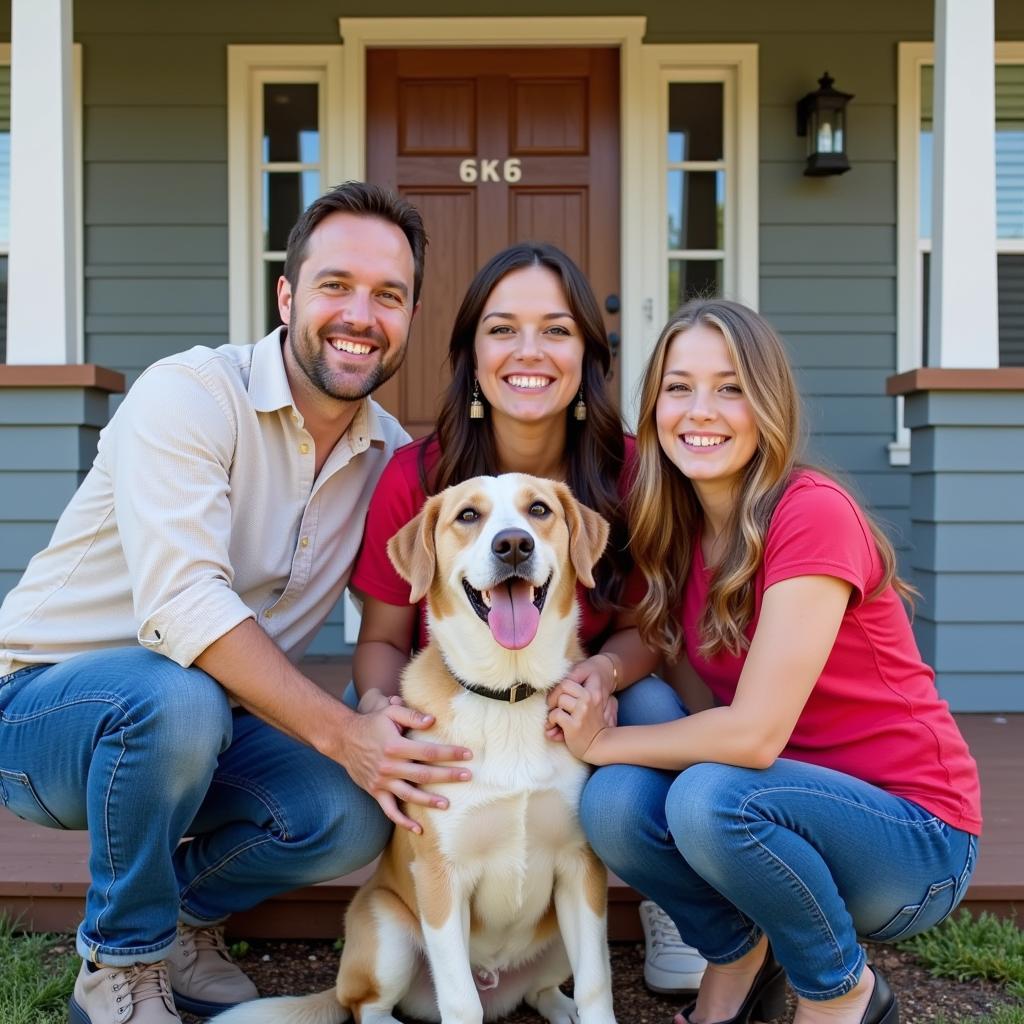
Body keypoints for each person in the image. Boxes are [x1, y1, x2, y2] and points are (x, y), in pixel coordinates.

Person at [0, 182, 475, 1024]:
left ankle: (186, 918)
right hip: (44, 710)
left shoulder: (391, 460)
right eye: (335, 285)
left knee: (350, 807)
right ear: (287, 296)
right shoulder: (188, 394)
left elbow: (418, 621)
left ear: (410, 317)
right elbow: (181, 607)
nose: (360, 314)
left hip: (213, 715)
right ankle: (121, 959)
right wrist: (343, 732)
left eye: (388, 296)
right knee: (172, 695)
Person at [548, 298, 981, 1024]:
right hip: (778, 814)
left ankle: (841, 991)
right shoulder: (676, 523)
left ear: (767, 404)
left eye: (730, 387)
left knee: (706, 797)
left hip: (914, 840)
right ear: (654, 407)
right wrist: (606, 674)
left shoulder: (811, 511)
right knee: (613, 805)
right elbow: (659, 645)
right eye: (678, 387)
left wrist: (603, 740)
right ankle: (737, 951)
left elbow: (751, 738)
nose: (700, 410)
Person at [348, 239, 708, 993]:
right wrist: (381, 712)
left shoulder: (634, 471)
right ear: (472, 354)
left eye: (556, 329)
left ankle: (673, 897)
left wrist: (600, 673)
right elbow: (382, 637)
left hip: (582, 688)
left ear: (587, 352)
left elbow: (653, 622)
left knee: (651, 698)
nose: (529, 351)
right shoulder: (417, 478)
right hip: (461, 697)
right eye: (503, 328)